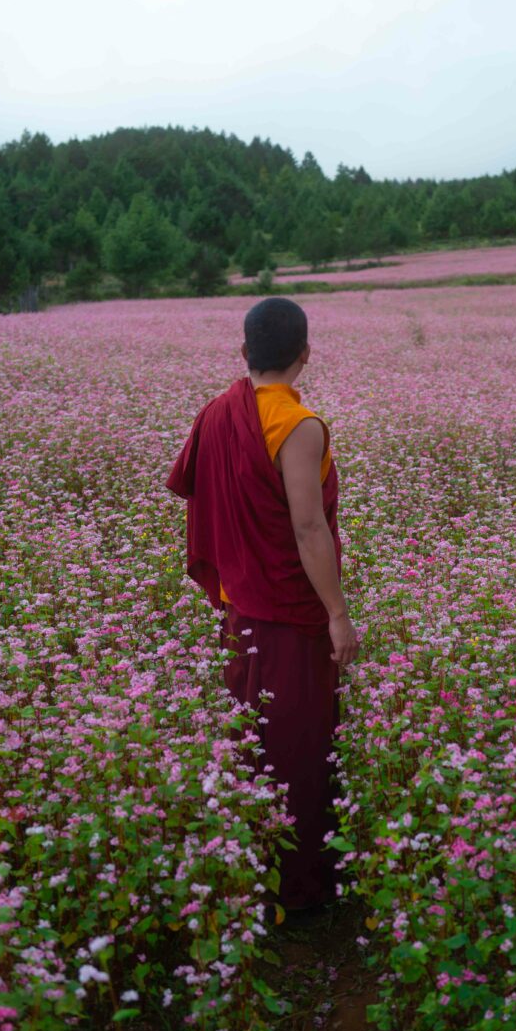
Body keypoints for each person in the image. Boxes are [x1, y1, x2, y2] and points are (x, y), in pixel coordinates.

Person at [165, 297, 361, 912]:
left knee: (254, 736)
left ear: (245, 351)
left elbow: (197, 492)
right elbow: (307, 526)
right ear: (306, 354)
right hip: (291, 613)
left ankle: (249, 872)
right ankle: (301, 892)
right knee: (297, 745)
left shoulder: (216, 413)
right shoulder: (298, 424)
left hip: (243, 606)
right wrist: (337, 613)